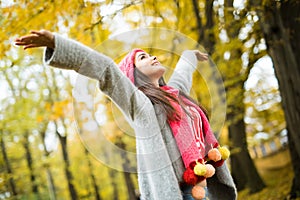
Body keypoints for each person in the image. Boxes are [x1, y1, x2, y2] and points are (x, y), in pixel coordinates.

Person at [15, 30, 237, 200]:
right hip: (182, 193)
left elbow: (183, 73)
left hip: (206, 186)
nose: (152, 57)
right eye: (142, 58)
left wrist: (190, 55)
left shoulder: (176, 96)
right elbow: (106, 70)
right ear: (132, 75)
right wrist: (57, 44)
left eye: (150, 54)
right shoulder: (142, 107)